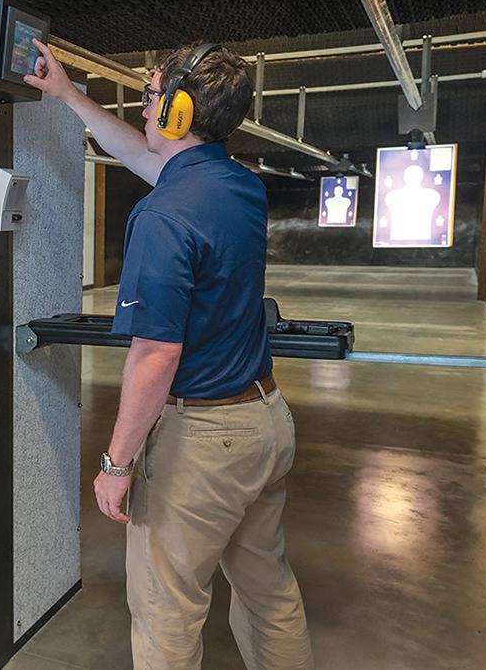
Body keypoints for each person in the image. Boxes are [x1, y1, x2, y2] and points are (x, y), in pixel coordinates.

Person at [25, 40, 313, 669]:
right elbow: (137, 151)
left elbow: (154, 356)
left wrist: (116, 463)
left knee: (166, 613)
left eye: (153, 96)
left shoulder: (162, 215)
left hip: (204, 444)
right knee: (269, 594)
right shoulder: (238, 187)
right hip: (265, 422)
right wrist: (69, 94)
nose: (148, 107)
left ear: (178, 113)